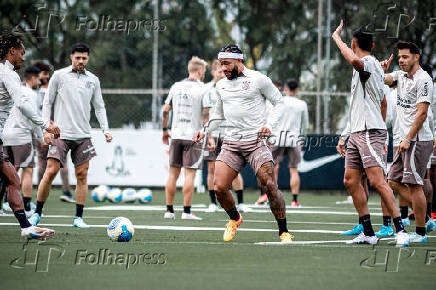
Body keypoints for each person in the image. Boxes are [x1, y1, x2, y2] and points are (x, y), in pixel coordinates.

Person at [193, 44, 293, 243]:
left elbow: (279, 102)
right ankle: (234, 219)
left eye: (227, 64)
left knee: (270, 185)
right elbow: (218, 115)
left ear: (239, 61)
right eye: (221, 64)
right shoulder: (220, 85)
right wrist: (205, 131)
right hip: (231, 142)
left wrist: (269, 125)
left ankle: (283, 231)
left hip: (256, 142)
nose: (223, 69)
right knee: (219, 187)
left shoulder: (258, 79)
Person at [332, 21, 408, 246]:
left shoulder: (367, 62)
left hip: (369, 131)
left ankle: (400, 229)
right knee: (350, 180)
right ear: (372, 44)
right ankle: (368, 232)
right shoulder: (373, 66)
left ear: (354, 43)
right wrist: (345, 135)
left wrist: (336, 38)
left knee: (377, 181)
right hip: (357, 132)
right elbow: (378, 101)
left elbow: (355, 61)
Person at [28, 43, 112, 228]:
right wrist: (46, 129)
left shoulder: (93, 80)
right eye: (77, 57)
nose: (81, 61)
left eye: (84, 58)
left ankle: (78, 218)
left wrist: (105, 129)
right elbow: (47, 103)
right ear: (71, 57)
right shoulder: (59, 75)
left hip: (83, 135)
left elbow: (99, 106)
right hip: (61, 134)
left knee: (82, 175)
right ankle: (36, 214)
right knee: (50, 171)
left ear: (88, 59)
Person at [0, 32, 59, 240]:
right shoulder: (7, 74)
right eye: (22, 53)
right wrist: (45, 125)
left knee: (12, 178)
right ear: (12, 51)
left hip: (3, 139)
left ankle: (25, 226)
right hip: (15, 137)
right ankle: (25, 226)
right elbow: (22, 103)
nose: (23, 58)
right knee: (13, 178)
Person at [382, 41, 434, 243]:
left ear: (416, 57)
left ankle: (420, 232)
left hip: (417, 140)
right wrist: (380, 69)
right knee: (393, 181)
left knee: (414, 185)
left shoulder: (424, 80)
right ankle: (426, 218)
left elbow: (422, 114)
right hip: (403, 140)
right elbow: (382, 79)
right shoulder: (401, 75)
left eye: (405, 57)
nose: (401, 61)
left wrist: (408, 138)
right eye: (400, 57)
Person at [162, 56, 211, 220]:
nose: (204, 73)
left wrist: (164, 130)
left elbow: (165, 110)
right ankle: (186, 212)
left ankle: (169, 211)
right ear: (199, 71)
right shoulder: (203, 88)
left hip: (176, 135)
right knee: (189, 175)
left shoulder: (176, 86)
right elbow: (206, 115)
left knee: (172, 175)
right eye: (204, 70)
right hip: (193, 137)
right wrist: (208, 134)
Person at [204, 59, 247, 213]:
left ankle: (241, 202)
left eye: (224, 71)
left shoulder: (232, 87)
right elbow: (205, 115)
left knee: (234, 168)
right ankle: (212, 203)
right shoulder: (207, 89)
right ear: (213, 72)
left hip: (230, 133)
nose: (222, 73)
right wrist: (208, 136)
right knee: (211, 168)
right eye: (219, 71)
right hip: (213, 133)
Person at [3, 65, 42, 217]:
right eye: (38, 79)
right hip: (22, 137)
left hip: (6, 135)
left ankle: (5, 203)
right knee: (26, 171)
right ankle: (24, 204)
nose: (40, 82)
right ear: (33, 78)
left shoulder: (12, 90)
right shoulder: (30, 94)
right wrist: (40, 136)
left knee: (7, 172)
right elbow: (34, 118)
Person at [33, 60, 74, 203]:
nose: (48, 76)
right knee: (60, 161)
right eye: (45, 73)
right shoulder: (49, 90)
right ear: (37, 74)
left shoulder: (33, 90)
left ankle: (41, 191)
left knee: (42, 162)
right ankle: (66, 191)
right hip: (52, 129)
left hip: (43, 129)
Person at [270, 79, 308, 207]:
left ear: (286, 88)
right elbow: (305, 125)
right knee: (294, 170)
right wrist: (302, 139)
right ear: (297, 90)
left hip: (277, 137)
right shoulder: (302, 104)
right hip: (294, 138)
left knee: (273, 168)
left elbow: (272, 119)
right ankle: (295, 200)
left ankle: (272, 199)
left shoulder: (279, 101)